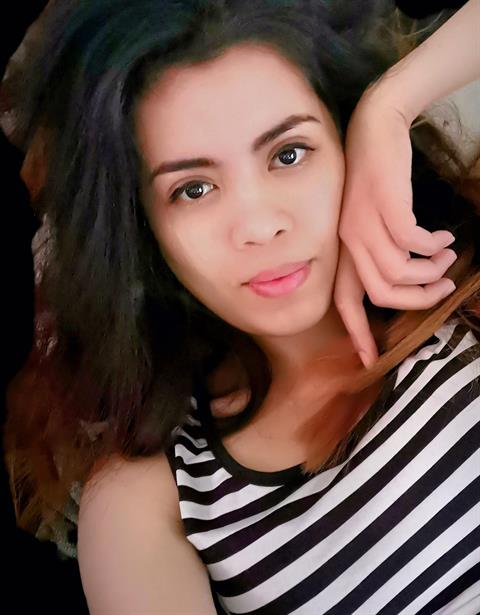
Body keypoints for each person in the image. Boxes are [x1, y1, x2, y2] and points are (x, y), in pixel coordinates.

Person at [2, 0, 479, 613]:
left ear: (344, 144)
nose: (259, 226)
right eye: (193, 189)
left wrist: (388, 105)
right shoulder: (153, 494)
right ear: (141, 229)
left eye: (289, 153)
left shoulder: (458, 274)